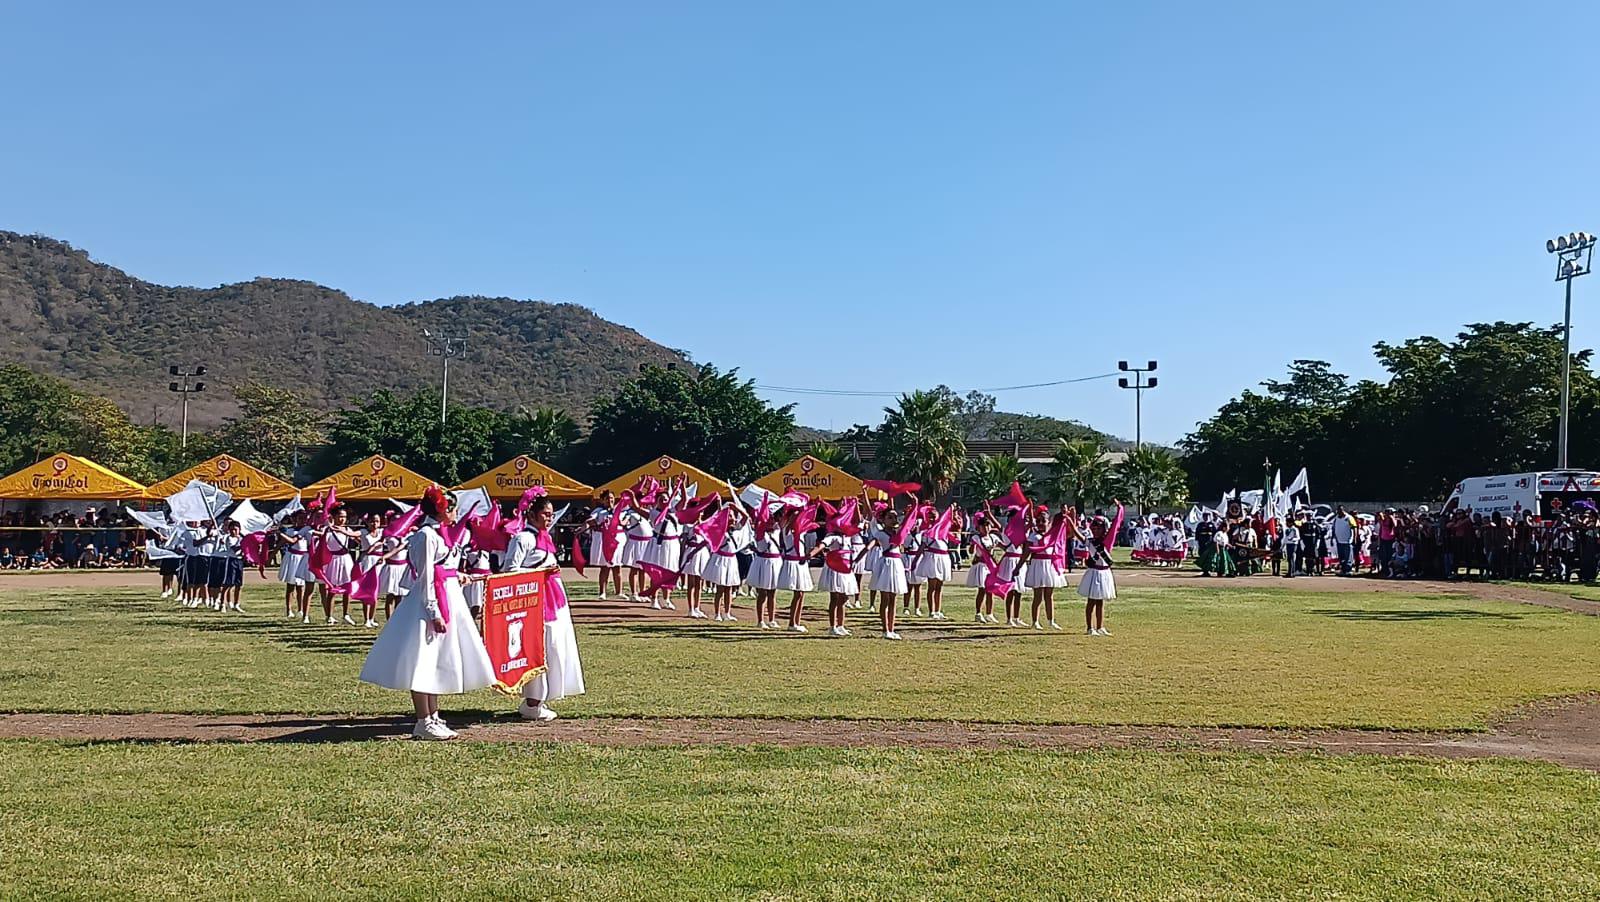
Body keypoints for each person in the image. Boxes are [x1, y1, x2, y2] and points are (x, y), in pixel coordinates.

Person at [359, 486, 495, 740]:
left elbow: (445, 568)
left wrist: (461, 576)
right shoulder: (425, 536)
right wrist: (434, 612)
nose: (457, 513)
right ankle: (423, 719)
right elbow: (425, 578)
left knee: (436, 660)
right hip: (427, 605)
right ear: (443, 510)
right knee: (423, 660)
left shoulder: (441, 534)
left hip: (448, 597)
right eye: (453, 508)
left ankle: (433, 716)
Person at [504, 497, 587, 722]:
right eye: (545, 514)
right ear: (531, 514)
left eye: (551, 514)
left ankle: (540, 698)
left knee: (555, 646)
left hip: (553, 599)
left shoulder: (544, 537)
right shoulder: (522, 539)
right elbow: (509, 571)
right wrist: (541, 573)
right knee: (542, 647)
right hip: (535, 602)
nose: (549, 518)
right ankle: (533, 701)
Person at [1075, 501, 1124, 636]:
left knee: (1100, 601)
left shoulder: (1107, 542)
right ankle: (1090, 627)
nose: (1095, 530)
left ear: (1104, 529)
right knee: (1091, 601)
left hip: (1104, 573)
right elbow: (1079, 536)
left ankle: (1100, 626)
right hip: (1094, 573)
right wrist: (1070, 521)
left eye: (1099, 528)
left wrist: (1120, 509)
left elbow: (1115, 526)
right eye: (1094, 528)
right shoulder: (1091, 541)